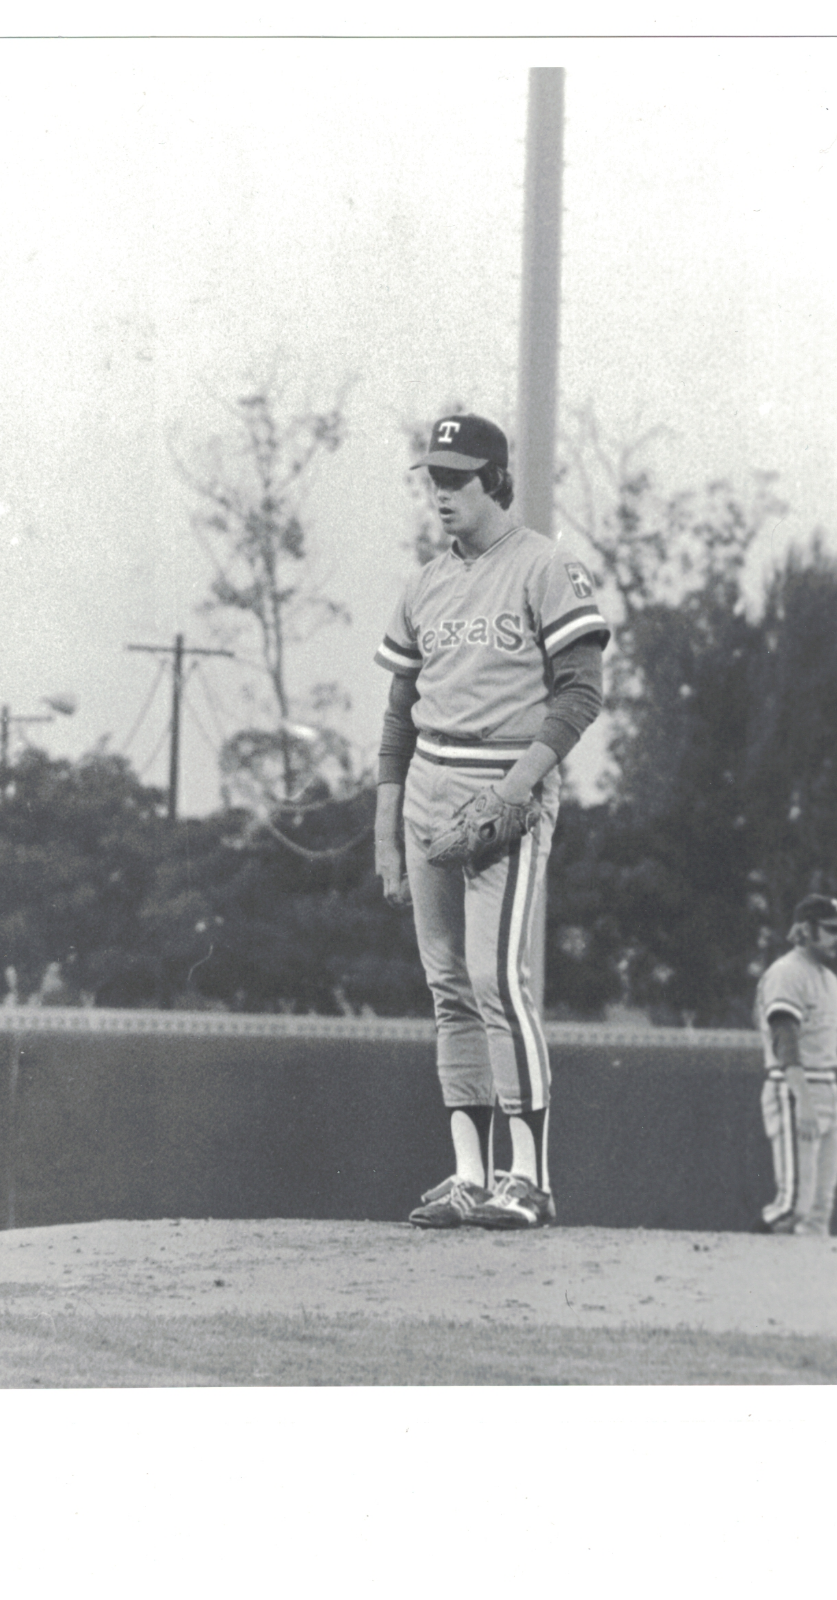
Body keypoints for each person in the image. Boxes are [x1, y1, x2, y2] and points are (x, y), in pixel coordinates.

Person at [373, 413, 609, 1229]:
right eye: (432, 477)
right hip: (429, 784)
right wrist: (384, 823)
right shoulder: (424, 582)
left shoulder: (544, 566)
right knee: (446, 990)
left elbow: (580, 692)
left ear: (495, 480)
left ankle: (529, 1179)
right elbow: (398, 714)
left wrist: (518, 790)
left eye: (457, 478)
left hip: (504, 780)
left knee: (496, 983)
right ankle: (469, 1174)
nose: (441, 492)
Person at [754, 893, 837, 1237]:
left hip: (826, 1084)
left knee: (818, 1211)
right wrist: (804, 1102)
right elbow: (784, 1040)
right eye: (830, 930)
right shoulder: (787, 972)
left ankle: (804, 1289)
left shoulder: (829, 978)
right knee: (793, 1206)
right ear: (805, 930)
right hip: (795, 1088)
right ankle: (736, 1262)